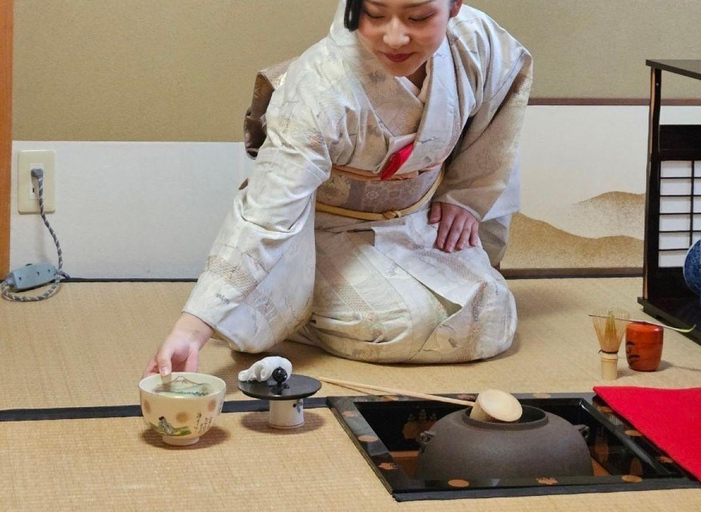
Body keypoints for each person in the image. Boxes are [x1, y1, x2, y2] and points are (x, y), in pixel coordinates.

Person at [143, 0, 532, 377]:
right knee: (409, 323)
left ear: (455, 5)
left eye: (418, 16)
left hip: (417, 219)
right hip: (327, 231)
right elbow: (266, 215)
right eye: (375, 14)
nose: (394, 37)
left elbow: (506, 90)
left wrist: (465, 197)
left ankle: (304, 305)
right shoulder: (321, 83)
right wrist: (190, 332)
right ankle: (291, 307)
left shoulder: (475, 41)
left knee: (491, 312)